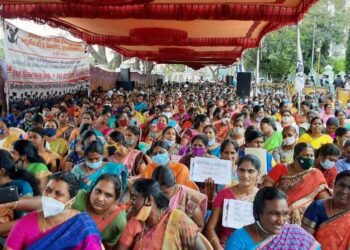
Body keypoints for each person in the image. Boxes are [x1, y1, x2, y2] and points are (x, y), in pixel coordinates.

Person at [4, 172, 102, 250]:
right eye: (48, 190)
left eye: (58, 194)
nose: (50, 196)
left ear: (71, 201)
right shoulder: (25, 223)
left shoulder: (83, 226)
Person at [117, 179, 206, 249]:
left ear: (148, 199)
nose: (131, 201)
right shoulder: (135, 221)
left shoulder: (178, 220)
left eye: (134, 197)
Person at [225, 187, 320, 249]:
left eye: (285, 214)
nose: (281, 221)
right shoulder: (238, 240)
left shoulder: (295, 234)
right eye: (274, 214)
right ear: (257, 213)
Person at [262, 143, 330, 224]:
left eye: (311, 156)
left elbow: (323, 199)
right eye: (305, 155)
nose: (309, 158)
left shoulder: (316, 174)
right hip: (279, 209)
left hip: (304, 216)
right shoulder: (281, 168)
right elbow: (266, 188)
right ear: (296, 156)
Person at [205, 154, 260, 249]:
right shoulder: (223, 194)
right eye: (241, 170)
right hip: (225, 245)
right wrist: (218, 247)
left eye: (251, 171)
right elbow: (210, 228)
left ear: (258, 173)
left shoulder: (263, 197)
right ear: (236, 171)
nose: (245, 175)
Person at [72, 174, 127, 249]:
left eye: (108, 195)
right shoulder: (79, 199)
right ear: (92, 189)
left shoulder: (118, 220)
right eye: (97, 191)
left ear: (116, 200)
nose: (100, 198)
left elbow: (108, 246)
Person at [302, 171, 350, 250]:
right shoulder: (318, 207)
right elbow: (305, 242)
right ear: (334, 185)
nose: (344, 191)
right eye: (341, 185)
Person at [152, 166, 207, 231]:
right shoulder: (152, 194)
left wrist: (184, 236)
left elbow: (199, 225)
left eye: (165, 193)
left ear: (174, 184)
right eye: (158, 192)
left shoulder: (189, 199)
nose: (161, 195)